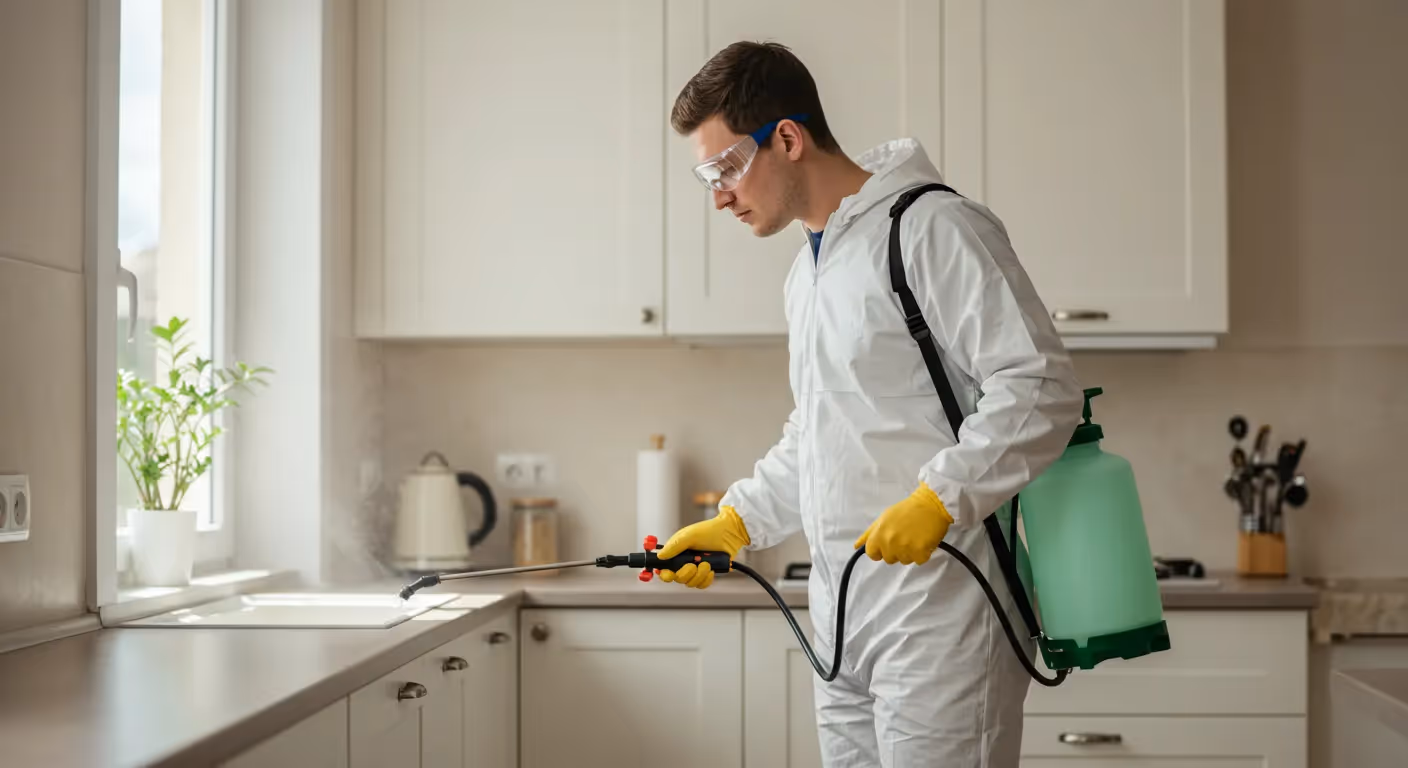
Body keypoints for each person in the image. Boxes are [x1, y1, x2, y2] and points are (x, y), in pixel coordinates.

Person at [655, 41, 1086, 767]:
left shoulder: (932, 228)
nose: (720, 195)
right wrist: (736, 522)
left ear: (787, 138)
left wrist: (940, 500)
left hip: (942, 614)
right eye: (708, 178)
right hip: (842, 619)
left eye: (726, 167)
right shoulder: (809, 272)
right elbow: (821, 433)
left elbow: (1039, 386)